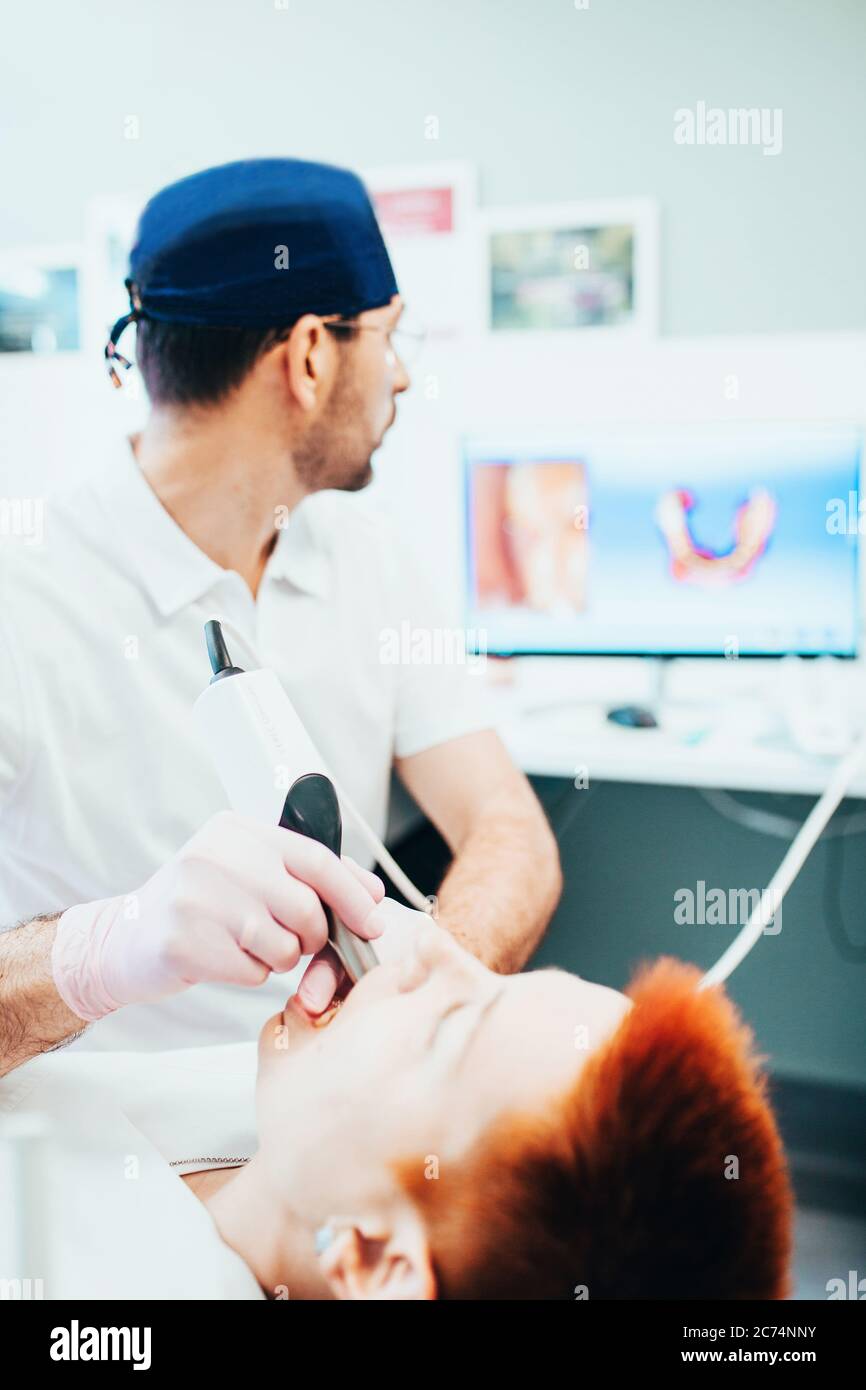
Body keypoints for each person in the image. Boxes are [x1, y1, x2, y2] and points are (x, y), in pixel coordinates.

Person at [0, 159, 561, 1065]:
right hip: (118, 1158)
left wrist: (419, 995)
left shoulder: (366, 559)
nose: (403, 377)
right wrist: (105, 952)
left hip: (343, 1123)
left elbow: (509, 829)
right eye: (389, 337)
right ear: (309, 356)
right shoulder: (21, 597)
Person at [178, 916, 793, 1300]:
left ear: (377, 1263)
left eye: (448, 1027)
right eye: (496, 980)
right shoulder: (284, 1122)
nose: (433, 945)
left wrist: (80, 973)